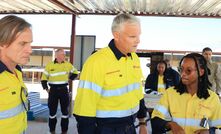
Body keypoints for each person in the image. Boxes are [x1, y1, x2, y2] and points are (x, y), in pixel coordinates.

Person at [73, 13, 148, 134]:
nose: (138, 40)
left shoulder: (134, 58)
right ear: (116, 35)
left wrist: (142, 122)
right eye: (132, 36)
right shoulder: (96, 62)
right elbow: (84, 108)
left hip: (130, 127)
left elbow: (138, 93)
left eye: (139, 35)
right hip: (105, 129)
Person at [151, 53, 221, 134]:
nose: (183, 74)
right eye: (181, 69)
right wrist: (171, 124)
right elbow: (155, 119)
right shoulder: (170, 94)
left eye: (188, 70)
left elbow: (218, 128)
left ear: (201, 72)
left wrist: (209, 132)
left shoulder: (212, 98)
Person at [0, 15, 32, 133]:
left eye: (30, 43)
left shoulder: (17, 71)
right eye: (22, 43)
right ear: (2, 43)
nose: (30, 50)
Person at [41, 48, 79, 134]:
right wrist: (47, 89)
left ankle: (64, 131)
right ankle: (52, 131)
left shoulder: (68, 64)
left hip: (63, 91)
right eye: (63, 54)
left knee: (65, 112)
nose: (64, 56)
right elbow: (43, 79)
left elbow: (76, 72)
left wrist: (69, 79)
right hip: (53, 91)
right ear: (57, 55)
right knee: (52, 113)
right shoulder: (49, 65)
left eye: (64, 54)